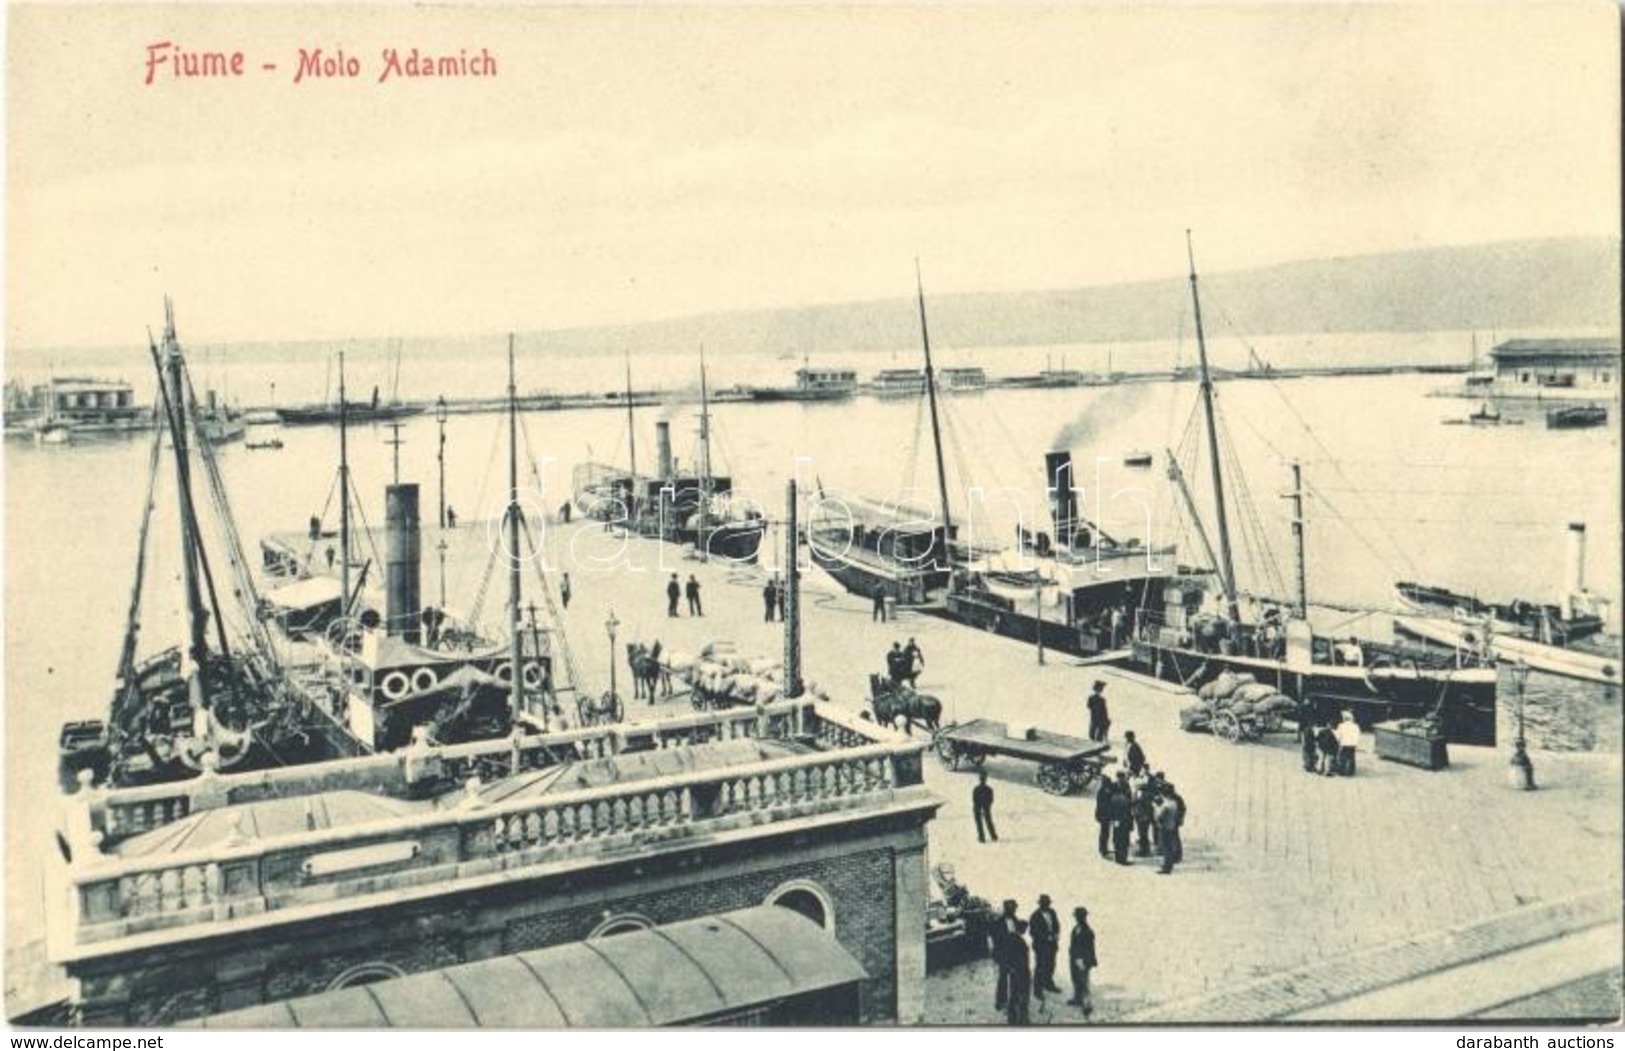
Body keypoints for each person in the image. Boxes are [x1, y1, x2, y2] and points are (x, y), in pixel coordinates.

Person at [1028, 895, 1063, 997]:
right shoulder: (1035, 916)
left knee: (1051, 964)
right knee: (1040, 966)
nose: (1047, 905)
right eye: (1045, 903)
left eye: (1048, 903)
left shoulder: (1052, 912)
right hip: (1041, 946)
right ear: (1040, 904)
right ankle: (1037, 990)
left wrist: (1055, 934)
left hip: (1052, 945)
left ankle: (1048, 984)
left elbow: (1057, 925)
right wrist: (1046, 937)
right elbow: (1033, 932)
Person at [1067, 906, 1097, 1017]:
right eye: (1076, 916)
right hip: (1075, 959)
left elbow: (1089, 948)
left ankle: (1087, 1005)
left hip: (1082, 961)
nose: (1077, 918)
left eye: (1079, 916)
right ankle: (1077, 999)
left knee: (1084, 982)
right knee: (1076, 980)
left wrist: (1083, 961)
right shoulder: (1076, 928)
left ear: (1084, 917)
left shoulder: (1087, 931)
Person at [992, 899, 1020, 1011]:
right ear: (1006, 910)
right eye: (1012, 909)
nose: (1014, 911)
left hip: (1014, 953)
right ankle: (1000, 1001)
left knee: (1014, 977)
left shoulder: (1014, 919)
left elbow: (1016, 933)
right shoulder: (998, 922)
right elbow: (996, 941)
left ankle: (1014, 999)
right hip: (1004, 954)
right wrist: (998, 956)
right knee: (1003, 978)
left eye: (1014, 909)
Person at [1005, 920, 1032, 1025]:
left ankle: (1012, 1019)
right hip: (1021, 971)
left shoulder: (1011, 938)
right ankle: (1023, 1019)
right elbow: (1020, 958)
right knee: (1023, 995)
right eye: (1025, 928)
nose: (1026, 930)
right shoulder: (1018, 940)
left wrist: (1010, 968)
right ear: (1022, 928)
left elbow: (1007, 956)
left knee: (1014, 995)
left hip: (1015, 971)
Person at [1155, 783, 1185, 875]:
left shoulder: (1166, 805)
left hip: (1165, 827)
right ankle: (1169, 863)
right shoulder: (1174, 802)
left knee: (1166, 847)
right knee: (1171, 846)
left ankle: (1167, 867)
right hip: (1172, 826)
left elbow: (1159, 817)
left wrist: (1156, 809)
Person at [1109, 772, 1134, 864]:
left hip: (1116, 821)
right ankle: (1122, 859)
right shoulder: (1126, 800)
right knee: (1124, 840)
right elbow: (1129, 810)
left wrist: (1112, 819)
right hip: (1124, 822)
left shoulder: (1113, 798)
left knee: (1116, 838)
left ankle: (1117, 857)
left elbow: (1110, 810)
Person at [1131, 770, 1155, 858]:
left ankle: (1144, 851)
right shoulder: (1145, 795)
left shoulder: (1145, 796)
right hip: (1142, 816)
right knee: (1142, 834)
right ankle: (1144, 849)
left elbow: (1141, 805)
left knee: (1143, 834)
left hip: (1143, 817)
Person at [972, 770, 997, 843]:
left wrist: (979, 808)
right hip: (986, 808)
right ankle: (993, 836)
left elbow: (974, 800)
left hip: (978, 808)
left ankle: (982, 837)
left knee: (979, 823)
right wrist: (986, 807)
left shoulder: (976, 789)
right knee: (989, 822)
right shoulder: (989, 789)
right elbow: (991, 800)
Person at [1336, 711, 1361, 777]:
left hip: (1344, 744)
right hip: (1352, 745)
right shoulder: (1356, 726)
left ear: (1344, 718)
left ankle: (1342, 772)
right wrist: (1355, 743)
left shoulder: (1341, 726)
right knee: (1351, 758)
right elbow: (1357, 735)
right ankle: (1351, 772)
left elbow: (1338, 736)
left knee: (1342, 758)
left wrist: (1339, 741)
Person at [1094, 776, 1114, 859]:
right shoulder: (1102, 792)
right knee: (1104, 834)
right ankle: (1103, 851)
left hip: (1103, 816)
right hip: (1104, 816)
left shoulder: (1102, 791)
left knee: (1105, 833)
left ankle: (1103, 849)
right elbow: (1104, 806)